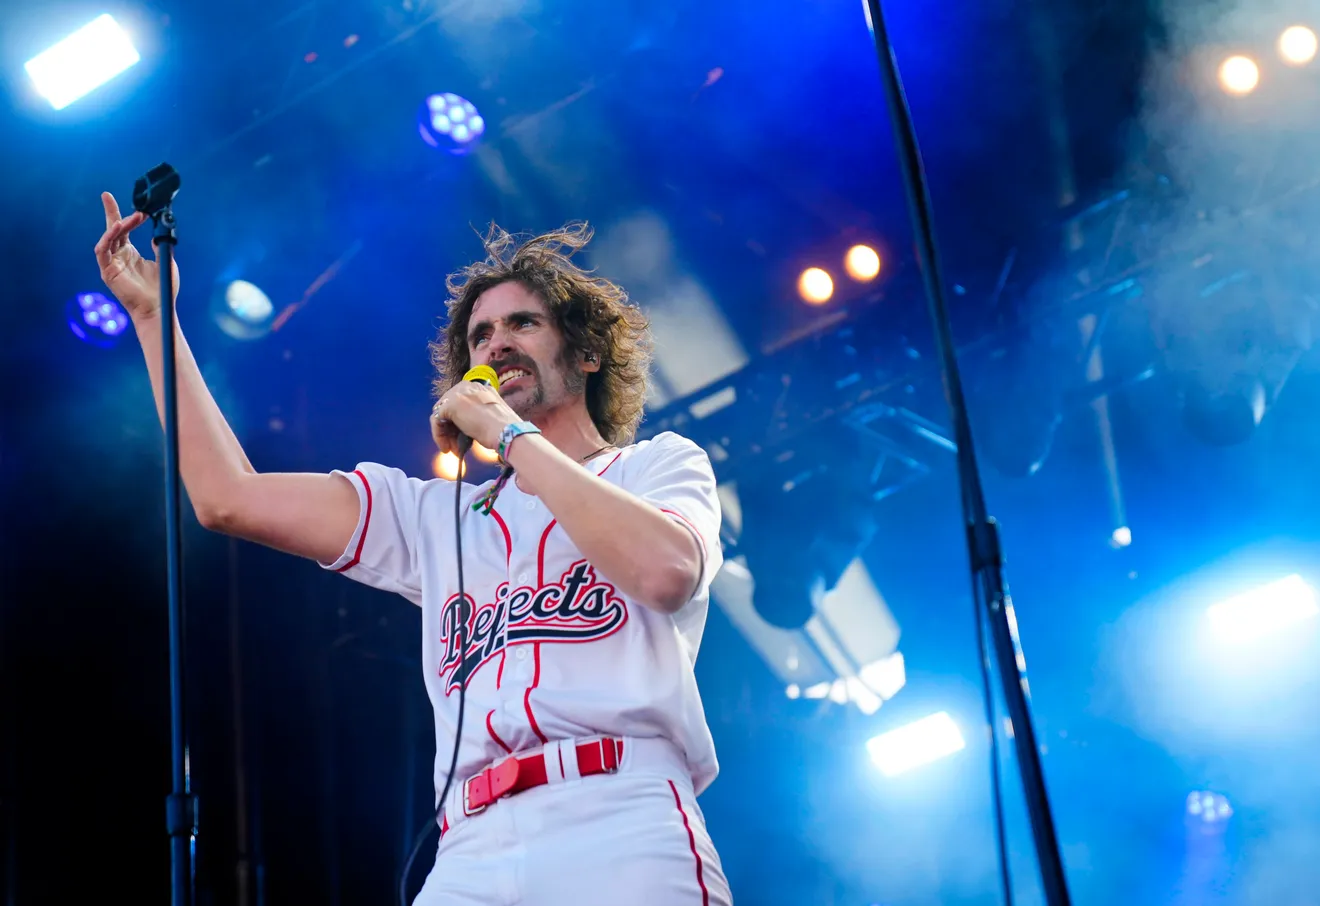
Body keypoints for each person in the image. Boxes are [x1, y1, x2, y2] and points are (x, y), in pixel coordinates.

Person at [94, 192, 733, 905]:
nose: (496, 343)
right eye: (481, 336)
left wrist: (512, 439)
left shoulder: (657, 466)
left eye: (523, 322)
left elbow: (665, 572)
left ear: (586, 352)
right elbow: (226, 497)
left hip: (619, 815)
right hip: (469, 847)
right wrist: (154, 321)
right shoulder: (435, 517)